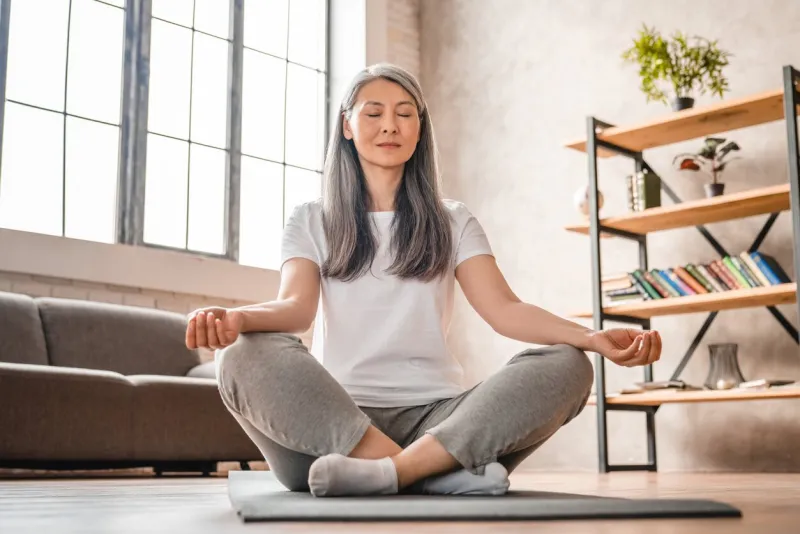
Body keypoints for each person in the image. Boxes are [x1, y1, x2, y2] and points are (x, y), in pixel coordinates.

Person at [184, 63, 661, 498]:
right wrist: (237, 317)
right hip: (329, 427)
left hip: (440, 421)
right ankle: (427, 473)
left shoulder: (453, 220)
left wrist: (590, 338)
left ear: (419, 130)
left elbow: (506, 311)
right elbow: (294, 309)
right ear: (347, 127)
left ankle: (397, 471)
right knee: (242, 353)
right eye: (373, 113)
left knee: (569, 366)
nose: (389, 124)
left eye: (404, 113)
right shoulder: (311, 218)